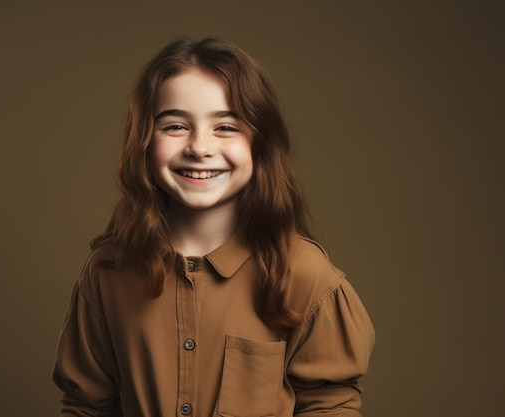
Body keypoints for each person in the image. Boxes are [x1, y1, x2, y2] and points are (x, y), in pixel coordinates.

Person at [52, 37, 375, 417]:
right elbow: (87, 406)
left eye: (225, 127)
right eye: (174, 126)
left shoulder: (305, 274)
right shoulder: (108, 272)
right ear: (143, 141)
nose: (199, 147)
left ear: (260, 144)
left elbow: (330, 405)